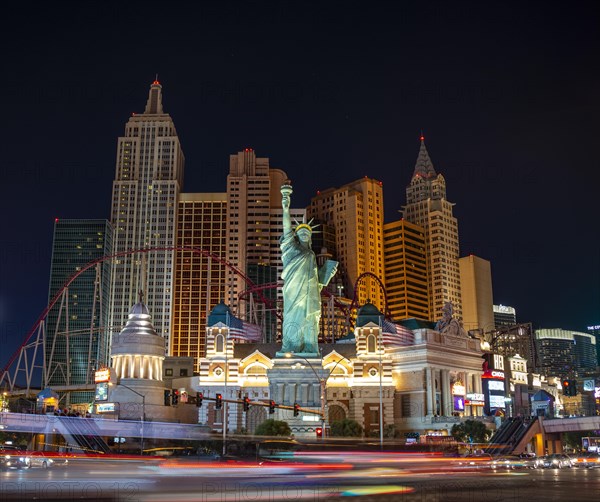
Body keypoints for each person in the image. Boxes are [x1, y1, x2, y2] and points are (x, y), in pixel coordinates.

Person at [278, 183, 338, 356]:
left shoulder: (311, 253)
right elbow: (286, 228)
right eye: (301, 232)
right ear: (296, 235)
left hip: (310, 294)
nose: (304, 233)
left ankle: (310, 346)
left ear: (310, 237)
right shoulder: (292, 248)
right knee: (293, 317)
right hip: (294, 292)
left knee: (311, 317)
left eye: (307, 232)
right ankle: (291, 346)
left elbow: (316, 280)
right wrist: (286, 208)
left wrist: (326, 274)